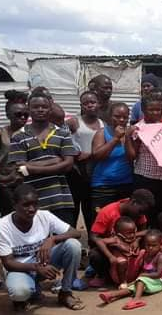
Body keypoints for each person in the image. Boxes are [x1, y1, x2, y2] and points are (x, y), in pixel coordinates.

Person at [0, 184, 84, 311]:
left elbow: (76, 233)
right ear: (14, 205)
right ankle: (28, 293)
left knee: (73, 245)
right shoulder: (2, 227)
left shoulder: (44, 216)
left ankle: (65, 292)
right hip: (20, 269)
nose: (32, 209)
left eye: (35, 204)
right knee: (19, 293)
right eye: (26, 205)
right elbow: (8, 263)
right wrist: (36, 267)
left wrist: (52, 239)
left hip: (44, 263)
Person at [8, 92, 78, 226]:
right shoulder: (18, 136)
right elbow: (20, 169)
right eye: (35, 107)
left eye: (44, 107)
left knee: (67, 242)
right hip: (33, 204)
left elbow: (68, 165)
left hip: (61, 200)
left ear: (50, 109)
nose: (40, 110)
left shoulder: (63, 134)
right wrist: (55, 161)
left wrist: (31, 167)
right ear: (28, 109)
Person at [125, 91, 162, 226]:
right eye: (151, 110)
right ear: (143, 110)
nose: (155, 113)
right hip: (146, 178)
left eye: (158, 110)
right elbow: (132, 155)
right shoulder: (138, 129)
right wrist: (128, 137)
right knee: (145, 213)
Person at [88, 189, 153, 287]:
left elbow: (144, 231)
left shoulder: (139, 214)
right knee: (95, 255)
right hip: (111, 250)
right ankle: (102, 275)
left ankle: (140, 273)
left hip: (131, 250)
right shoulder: (108, 212)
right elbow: (93, 237)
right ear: (134, 202)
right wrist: (113, 250)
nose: (141, 215)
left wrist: (136, 240)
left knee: (150, 240)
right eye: (140, 211)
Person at [99, 230, 162, 310]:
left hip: (160, 281)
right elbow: (142, 270)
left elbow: (158, 274)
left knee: (141, 280)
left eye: (154, 245)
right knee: (132, 287)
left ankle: (137, 299)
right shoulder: (145, 254)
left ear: (160, 245)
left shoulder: (160, 257)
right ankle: (112, 295)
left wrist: (143, 275)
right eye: (148, 245)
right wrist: (134, 281)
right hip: (149, 280)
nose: (150, 248)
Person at [65, 91, 104, 231]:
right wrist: (73, 154)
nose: (90, 105)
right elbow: (63, 140)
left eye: (92, 102)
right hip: (76, 172)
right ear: (81, 105)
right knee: (73, 209)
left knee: (91, 210)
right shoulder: (74, 122)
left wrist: (90, 154)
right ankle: (71, 241)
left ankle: (92, 245)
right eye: (86, 103)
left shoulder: (102, 123)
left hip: (95, 172)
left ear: (98, 103)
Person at [91, 102, 134, 218]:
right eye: (117, 116)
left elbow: (132, 157)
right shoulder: (102, 133)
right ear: (110, 117)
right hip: (103, 186)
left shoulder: (130, 134)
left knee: (123, 221)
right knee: (103, 220)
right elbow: (97, 156)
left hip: (126, 184)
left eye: (125, 117)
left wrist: (128, 138)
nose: (121, 120)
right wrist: (115, 139)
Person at [0, 101, 29, 217]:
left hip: (25, 180)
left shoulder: (30, 133)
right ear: (8, 115)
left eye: (26, 114)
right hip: (4, 182)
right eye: (18, 114)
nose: (23, 117)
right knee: (8, 214)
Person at [94, 217, 142, 289]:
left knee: (143, 252)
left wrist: (137, 240)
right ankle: (123, 284)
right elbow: (99, 241)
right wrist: (110, 256)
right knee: (122, 261)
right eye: (129, 233)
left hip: (132, 271)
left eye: (134, 232)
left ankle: (142, 278)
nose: (132, 235)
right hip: (119, 275)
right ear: (119, 233)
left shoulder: (133, 239)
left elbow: (148, 232)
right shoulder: (116, 240)